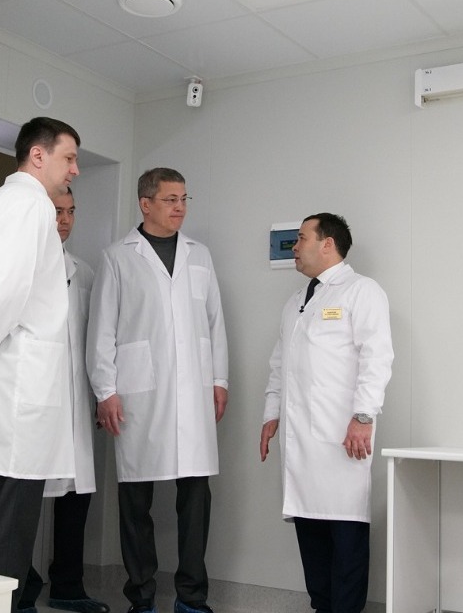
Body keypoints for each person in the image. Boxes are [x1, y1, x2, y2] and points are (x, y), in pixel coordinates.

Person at [0, 117, 81, 611]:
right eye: (69, 158)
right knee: (9, 523)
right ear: (38, 155)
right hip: (17, 386)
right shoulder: (31, 206)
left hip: (0, 385)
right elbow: (3, 292)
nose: (74, 170)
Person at [88, 168, 229, 613]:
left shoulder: (199, 256)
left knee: (196, 500)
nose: (180, 207)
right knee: (135, 500)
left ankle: (192, 598)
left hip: (194, 391)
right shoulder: (117, 257)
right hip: (138, 394)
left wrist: (219, 380)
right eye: (170, 199)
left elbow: (215, 324)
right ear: (145, 203)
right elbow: (102, 330)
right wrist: (105, 390)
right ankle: (142, 597)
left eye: (184, 199)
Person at [259, 213, 394, 613]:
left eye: (302, 238)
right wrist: (271, 414)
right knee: (311, 533)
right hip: (300, 441)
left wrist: (364, 416)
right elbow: (279, 364)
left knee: (345, 534)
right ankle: (321, 606)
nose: (294, 247)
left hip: (342, 437)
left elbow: (377, 358)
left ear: (328, 244)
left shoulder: (362, 291)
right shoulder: (296, 302)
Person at [18, 188, 109, 613]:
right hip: (33, 400)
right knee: (21, 500)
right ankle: (20, 589)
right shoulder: (24, 266)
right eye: (58, 211)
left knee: (76, 497)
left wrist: (99, 393)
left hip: (74, 401)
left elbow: (95, 339)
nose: (66, 219)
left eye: (71, 211)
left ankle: (68, 586)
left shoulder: (84, 272)